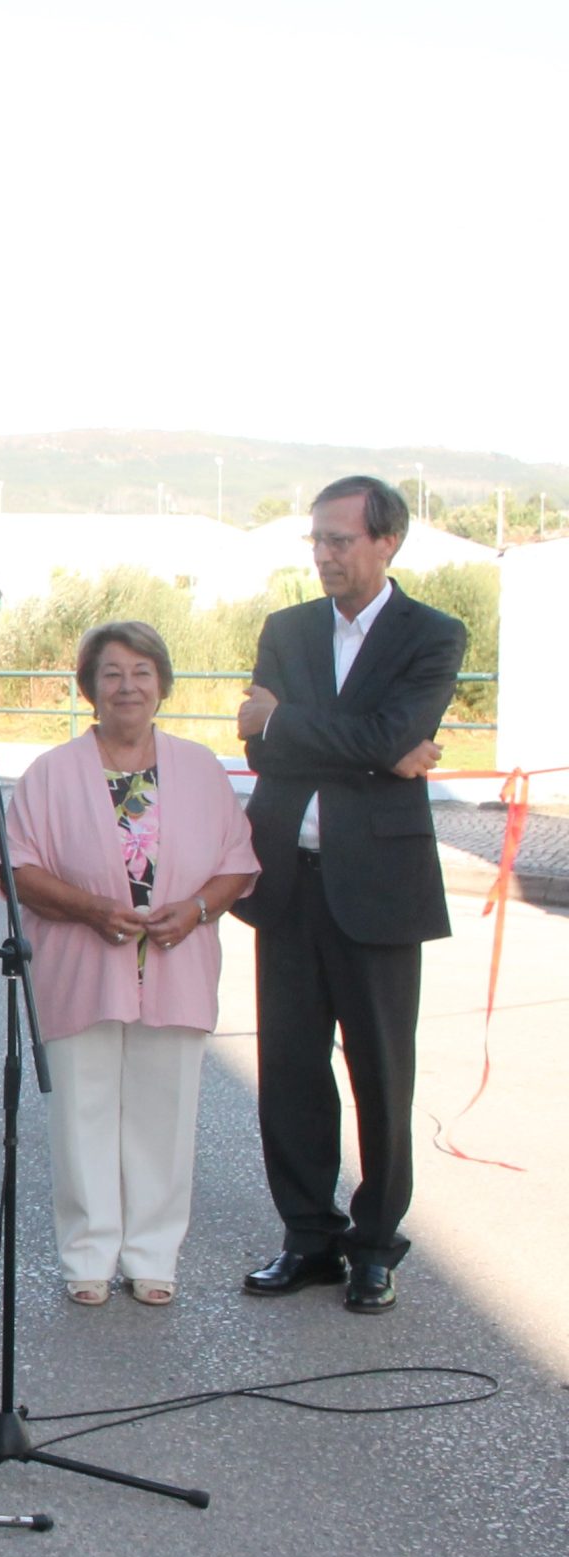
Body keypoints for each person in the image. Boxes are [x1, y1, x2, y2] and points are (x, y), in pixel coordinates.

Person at [233, 475, 463, 1314]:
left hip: (380, 890)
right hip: (289, 885)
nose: (324, 555)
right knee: (289, 1070)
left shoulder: (432, 634)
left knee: (380, 1074)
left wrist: (293, 724)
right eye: (317, 541)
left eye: (339, 540)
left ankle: (374, 1247)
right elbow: (264, 757)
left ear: (386, 542)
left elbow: (372, 733)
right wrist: (375, 752)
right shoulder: (286, 630)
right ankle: (308, 1236)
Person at [9, 622, 259, 1303]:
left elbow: (237, 863)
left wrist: (199, 911)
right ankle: (88, 1257)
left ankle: (152, 1255)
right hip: (83, 963)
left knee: (164, 1111)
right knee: (82, 1112)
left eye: (142, 671)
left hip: (176, 963)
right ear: (90, 687)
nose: (128, 686)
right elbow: (18, 869)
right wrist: (91, 909)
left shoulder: (199, 768)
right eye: (112, 672)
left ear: (162, 683)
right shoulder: (52, 773)